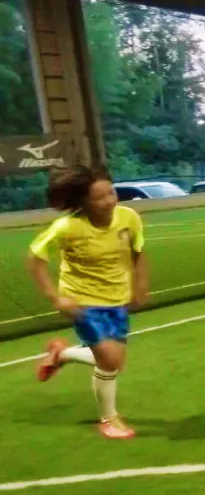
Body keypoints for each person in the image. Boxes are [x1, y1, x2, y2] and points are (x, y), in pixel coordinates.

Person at [29, 165, 150, 439]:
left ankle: (61, 354)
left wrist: (140, 285)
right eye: (99, 197)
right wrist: (55, 297)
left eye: (111, 193)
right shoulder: (68, 227)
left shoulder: (129, 217)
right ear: (83, 201)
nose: (109, 201)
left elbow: (139, 251)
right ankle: (109, 419)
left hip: (117, 299)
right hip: (81, 301)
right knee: (110, 361)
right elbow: (35, 258)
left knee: (114, 359)